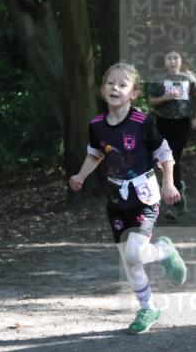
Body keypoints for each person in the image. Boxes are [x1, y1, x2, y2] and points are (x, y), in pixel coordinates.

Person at [69, 63, 187, 335]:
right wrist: (80, 175)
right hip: (116, 201)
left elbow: (165, 153)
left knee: (136, 252)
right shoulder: (97, 125)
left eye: (122, 84)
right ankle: (148, 308)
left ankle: (166, 251)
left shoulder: (142, 122)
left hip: (144, 197)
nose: (115, 88)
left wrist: (168, 184)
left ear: (133, 93)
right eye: (110, 83)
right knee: (130, 259)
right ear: (102, 90)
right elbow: (95, 154)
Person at [146, 49, 196, 220]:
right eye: (169, 58)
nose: (172, 61)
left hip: (182, 122)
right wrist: (165, 97)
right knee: (165, 161)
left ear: (181, 60)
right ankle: (178, 191)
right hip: (162, 121)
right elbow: (151, 101)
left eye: (175, 58)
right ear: (165, 61)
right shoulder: (159, 79)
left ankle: (173, 203)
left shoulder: (189, 78)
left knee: (173, 159)